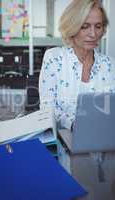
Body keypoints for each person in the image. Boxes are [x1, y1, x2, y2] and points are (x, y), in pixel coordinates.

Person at [39, 0, 115, 130]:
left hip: (103, 137)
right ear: (71, 27)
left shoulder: (110, 65)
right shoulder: (54, 58)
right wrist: (74, 125)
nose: (93, 34)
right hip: (64, 138)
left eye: (98, 26)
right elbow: (47, 109)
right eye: (85, 26)